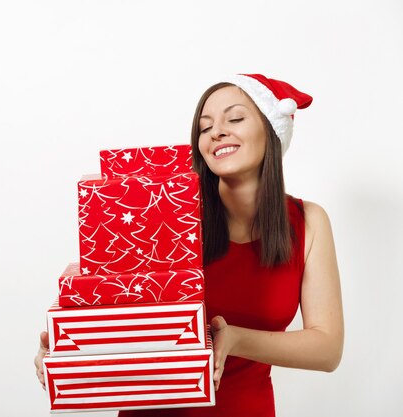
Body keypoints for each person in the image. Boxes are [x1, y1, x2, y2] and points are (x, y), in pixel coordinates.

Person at [34, 74, 344, 417]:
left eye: (235, 118)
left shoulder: (309, 221)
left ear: (271, 130)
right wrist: (69, 354)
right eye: (204, 126)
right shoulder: (167, 212)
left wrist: (236, 339)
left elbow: (327, 349)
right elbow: (119, 305)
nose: (217, 132)